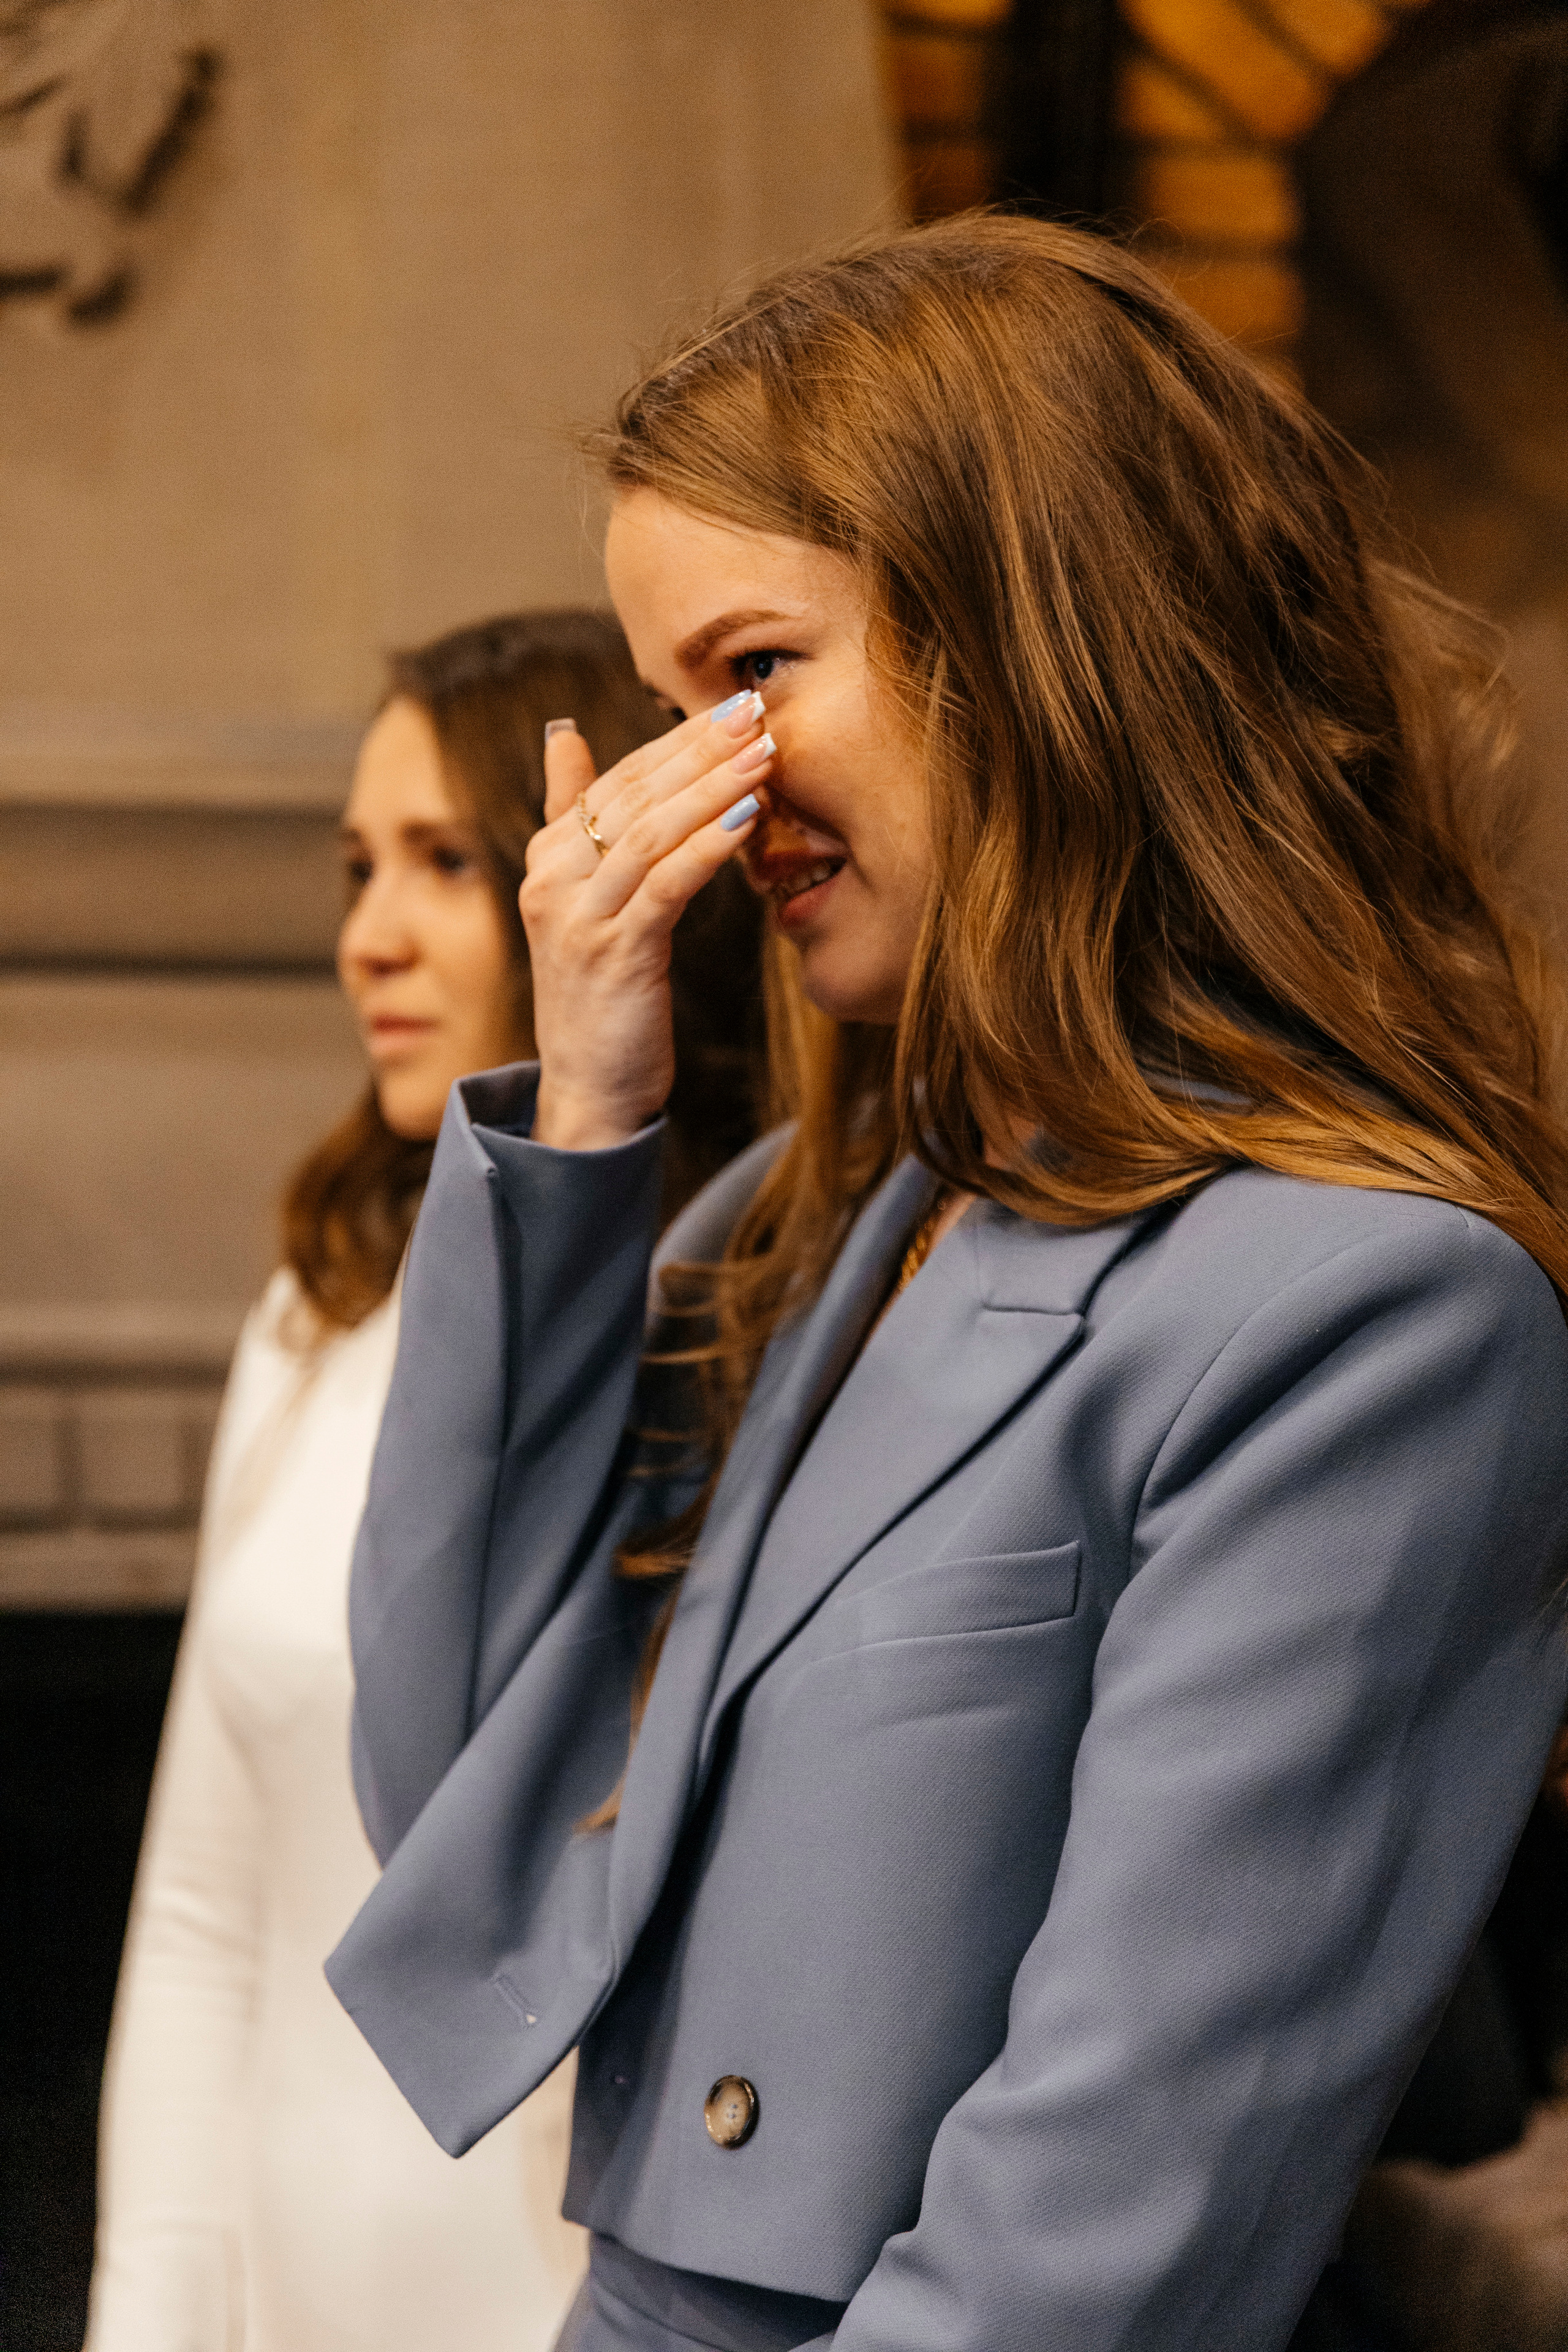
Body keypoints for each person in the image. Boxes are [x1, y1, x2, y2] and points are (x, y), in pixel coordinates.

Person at [326, 219, 1568, 2352]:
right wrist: (581, 1137)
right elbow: (449, 1793)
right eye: (663, 708)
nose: (689, 796)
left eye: (752, 674)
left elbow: (1102, 2241)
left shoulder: (1376, 1312)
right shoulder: (844, 1209)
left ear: (1040, 635)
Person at [83, 610, 764, 2352]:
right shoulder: (311, 1314)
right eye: (352, 870)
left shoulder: (739, 1328)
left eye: (446, 863)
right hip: (282, 2286)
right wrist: (150, 2313)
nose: (368, 937)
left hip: (562, 2294)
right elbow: (200, 1915)